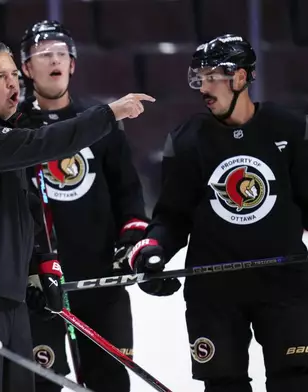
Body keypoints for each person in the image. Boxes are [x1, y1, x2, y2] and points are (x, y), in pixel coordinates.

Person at [0, 40, 154, 392]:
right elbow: (39, 144)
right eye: (0, 77)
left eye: (13, 75)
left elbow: (26, 205)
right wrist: (108, 114)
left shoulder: (4, 130)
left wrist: (41, 262)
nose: (12, 84)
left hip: (11, 294)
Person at [128, 34, 308, 392]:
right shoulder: (186, 139)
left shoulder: (289, 128)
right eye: (201, 78)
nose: (204, 87)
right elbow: (172, 216)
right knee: (223, 385)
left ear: (240, 78)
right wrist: (153, 250)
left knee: (296, 381)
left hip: (285, 284)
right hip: (214, 292)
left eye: (213, 77)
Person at [16, 20, 148, 392]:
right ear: (26, 68)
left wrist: (133, 238)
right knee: (40, 383)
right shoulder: (13, 129)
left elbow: (128, 193)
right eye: (43, 55)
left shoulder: (101, 122)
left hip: (99, 278)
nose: (54, 60)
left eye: (61, 54)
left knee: (108, 381)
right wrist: (24, 268)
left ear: (72, 64)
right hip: (37, 283)